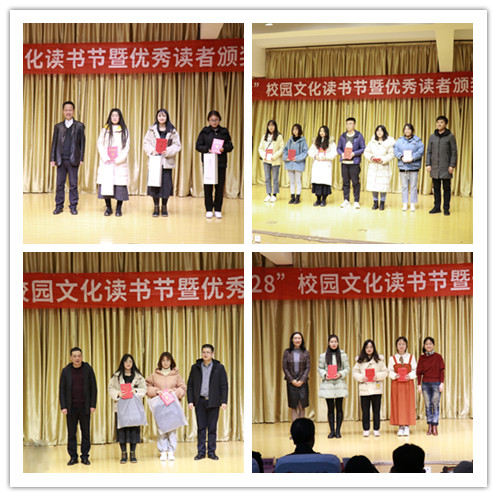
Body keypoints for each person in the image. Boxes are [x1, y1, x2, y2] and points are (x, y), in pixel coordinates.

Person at [187, 344, 228, 460]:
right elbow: (190, 385)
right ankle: (200, 452)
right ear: (201, 353)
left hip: (213, 402)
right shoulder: (195, 367)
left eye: (208, 352)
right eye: (204, 352)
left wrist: (224, 401)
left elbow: (224, 385)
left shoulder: (219, 367)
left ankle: (211, 452)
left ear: (212, 354)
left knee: (212, 428)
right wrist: (190, 401)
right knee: (201, 428)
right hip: (199, 401)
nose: (205, 354)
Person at [59, 347, 97, 466]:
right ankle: (73, 457)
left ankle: (85, 456)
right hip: (71, 408)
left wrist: (93, 404)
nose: (77, 358)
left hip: (85, 407)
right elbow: (62, 390)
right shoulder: (66, 371)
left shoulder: (88, 369)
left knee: (85, 433)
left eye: (79, 356)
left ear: (82, 356)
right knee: (71, 434)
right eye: (74, 356)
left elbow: (94, 388)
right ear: (71, 357)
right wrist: (63, 406)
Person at [146, 352, 187, 461]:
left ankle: (171, 451)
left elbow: (183, 389)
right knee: (161, 429)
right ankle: (163, 451)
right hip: (159, 407)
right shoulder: (154, 375)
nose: (165, 363)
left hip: (173, 406)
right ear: (160, 362)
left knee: (172, 429)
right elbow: (147, 387)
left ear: (171, 361)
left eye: (168, 360)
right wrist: (156, 391)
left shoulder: (176, 376)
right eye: (163, 360)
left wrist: (174, 391)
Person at [108, 354, 146, 463]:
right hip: (121, 407)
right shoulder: (116, 376)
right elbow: (111, 389)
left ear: (133, 363)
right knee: (122, 430)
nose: (128, 364)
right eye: (126, 361)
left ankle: (133, 453)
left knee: (134, 430)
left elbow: (144, 389)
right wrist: (118, 393)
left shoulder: (138, 376)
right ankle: (123, 453)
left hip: (134, 407)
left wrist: (136, 391)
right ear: (122, 363)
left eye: (130, 361)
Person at [195, 110, 234, 219]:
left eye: (216, 120)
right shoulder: (204, 131)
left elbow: (230, 146)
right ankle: (208, 209)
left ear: (220, 120)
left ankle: (217, 209)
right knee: (208, 186)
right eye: (212, 120)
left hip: (221, 163)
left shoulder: (224, 132)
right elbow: (198, 146)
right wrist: (207, 149)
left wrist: (224, 148)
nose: (214, 122)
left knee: (219, 187)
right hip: (209, 163)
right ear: (208, 120)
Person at [143, 109, 182, 217]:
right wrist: (152, 151)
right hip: (155, 161)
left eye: (163, 116)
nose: (161, 118)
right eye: (159, 115)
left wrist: (168, 151)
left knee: (166, 186)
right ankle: (156, 207)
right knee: (154, 186)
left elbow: (177, 145)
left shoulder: (172, 130)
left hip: (166, 162)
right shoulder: (151, 130)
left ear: (167, 117)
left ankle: (164, 207)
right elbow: (146, 143)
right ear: (157, 117)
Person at [50, 101, 86, 215]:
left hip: (73, 160)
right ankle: (59, 206)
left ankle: (73, 206)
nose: (68, 112)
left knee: (73, 184)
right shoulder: (58, 126)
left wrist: (81, 158)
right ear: (63, 111)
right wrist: (52, 158)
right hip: (60, 159)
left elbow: (82, 143)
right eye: (66, 110)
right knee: (59, 184)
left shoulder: (79, 126)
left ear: (73, 111)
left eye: (70, 110)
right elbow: (54, 143)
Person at [96, 108, 130, 217]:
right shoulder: (105, 130)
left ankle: (119, 208)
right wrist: (106, 158)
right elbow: (100, 144)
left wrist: (118, 159)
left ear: (120, 117)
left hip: (119, 163)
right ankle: (108, 208)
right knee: (106, 185)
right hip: (107, 162)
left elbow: (126, 147)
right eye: (112, 116)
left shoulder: (124, 130)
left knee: (120, 187)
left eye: (116, 115)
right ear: (110, 117)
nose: (114, 118)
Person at [352, 339, 388, 437]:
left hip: (376, 388)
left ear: (374, 348)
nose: (369, 349)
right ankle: (366, 429)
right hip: (364, 388)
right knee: (365, 410)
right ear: (364, 348)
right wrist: (361, 378)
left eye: (371, 347)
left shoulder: (379, 360)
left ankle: (376, 429)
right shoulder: (359, 360)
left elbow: (385, 371)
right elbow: (355, 372)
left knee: (376, 410)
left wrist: (378, 376)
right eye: (367, 347)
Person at [317, 334, 349, 438]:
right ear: (328, 343)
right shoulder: (323, 356)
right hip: (328, 385)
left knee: (339, 408)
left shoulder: (343, 355)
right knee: (330, 409)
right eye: (332, 342)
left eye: (335, 342)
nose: (334, 344)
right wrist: (325, 374)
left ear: (338, 343)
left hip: (339, 384)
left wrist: (340, 374)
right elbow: (320, 368)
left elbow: (347, 368)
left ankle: (338, 431)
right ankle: (331, 431)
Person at [426, 115, 458, 216]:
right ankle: (436, 207)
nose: (439, 124)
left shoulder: (450, 136)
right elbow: (429, 151)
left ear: (446, 124)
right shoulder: (432, 136)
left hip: (446, 167)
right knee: (436, 188)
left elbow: (454, 152)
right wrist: (428, 164)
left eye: (441, 122)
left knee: (446, 188)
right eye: (438, 122)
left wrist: (452, 165)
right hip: (434, 167)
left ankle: (446, 208)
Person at [388, 336, 417, 436]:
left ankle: (407, 426)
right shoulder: (392, 358)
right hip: (397, 384)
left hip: (408, 383)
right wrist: (394, 375)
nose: (401, 346)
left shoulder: (411, 357)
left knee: (408, 404)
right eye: (399, 344)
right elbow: (389, 371)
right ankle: (400, 426)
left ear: (406, 345)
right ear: (396, 346)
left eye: (403, 344)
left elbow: (415, 370)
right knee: (398, 404)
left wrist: (410, 376)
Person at [417, 337, 445, 436]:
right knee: (428, 405)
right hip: (425, 384)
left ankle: (435, 426)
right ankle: (429, 425)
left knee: (435, 405)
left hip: (436, 383)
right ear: (424, 346)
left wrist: (442, 383)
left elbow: (442, 371)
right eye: (426, 344)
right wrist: (419, 385)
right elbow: (418, 372)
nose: (428, 346)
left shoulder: (438, 357)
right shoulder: (422, 358)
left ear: (433, 345)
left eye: (430, 344)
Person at [393, 123, 424, 211]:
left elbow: (421, 151)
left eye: (409, 129)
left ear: (412, 130)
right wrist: (401, 157)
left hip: (414, 166)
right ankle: (405, 203)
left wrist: (413, 157)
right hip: (403, 166)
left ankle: (413, 203)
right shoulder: (399, 140)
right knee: (404, 186)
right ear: (403, 130)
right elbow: (395, 150)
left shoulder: (417, 140)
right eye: (405, 129)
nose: (407, 131)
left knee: (413, 186)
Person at [364, 125, 396, 210]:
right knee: (373, 185)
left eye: (381, 131)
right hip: (373, 166)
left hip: (383, 166)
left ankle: (382, 202)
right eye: (378, 130)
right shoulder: (372, 142)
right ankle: (375, 202)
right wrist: (371, 157)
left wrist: (383, 160)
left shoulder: (388, 143)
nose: (379, 132)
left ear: (384, 132)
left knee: (383, 185)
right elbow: (366, 152)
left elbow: (391, 154)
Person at [336, 117, 365, 209]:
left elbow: (363, 148)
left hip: (354, 163)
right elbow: (338, 148)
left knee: (355, 182)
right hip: (344, 162)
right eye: (347, 124)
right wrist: (342, 153)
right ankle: (346, 200)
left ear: (354, 125)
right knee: (345, 182)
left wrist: (354, 153)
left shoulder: (358, 136)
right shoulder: (343, 136)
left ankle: (356, 201)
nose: (348, 125)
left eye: (351, 124)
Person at [282, 332, 311, 421]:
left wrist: (302, 380)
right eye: (295, 338)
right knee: (294, 406)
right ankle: (295, 428)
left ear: (302, 340)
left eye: (299, 338)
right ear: (292, 340)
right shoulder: (287, 352)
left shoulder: (306, 352)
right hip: (291, 383)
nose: (297, 340)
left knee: (302, 406)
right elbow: (285, 367)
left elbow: (308, 367)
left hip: (303, 382)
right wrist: (292, 380)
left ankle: (302, 428)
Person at [308, 126, 338, 207]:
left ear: (326, 132)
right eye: (320, 131)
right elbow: (310, 151)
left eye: (323, 131)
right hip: (317, 164)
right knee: (317, 183)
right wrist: (315, 156)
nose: (321, 133)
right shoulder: (316, 141)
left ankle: (324, 200)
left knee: (324, 183)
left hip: (325, 164)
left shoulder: (331, 142)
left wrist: (327, 157)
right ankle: (318, 199)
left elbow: (334, 152)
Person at [258, 120, 284, 202]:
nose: (271, 127)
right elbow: (260, 148)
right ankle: (268, 194)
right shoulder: (264, 136)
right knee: (267, 178)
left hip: (275, 160)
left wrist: (274, 157)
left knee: (275, 179)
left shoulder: (279, 136)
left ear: (275, 126)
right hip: (266, 160)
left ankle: (274, 194)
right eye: (269, 125)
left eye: (272, 125)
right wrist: (264, 156)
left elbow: (281, 148)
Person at [283, 124, 308, 205]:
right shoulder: (290, 140)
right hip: (290, 163)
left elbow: (305, 152)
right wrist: (286, 157)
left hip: (298, 164)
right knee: (291, 181)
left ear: (299, 130)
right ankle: (292, 197)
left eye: (296, 129)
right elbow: (284, 150)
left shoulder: (303, 141)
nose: (294, 131)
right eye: (293, 129)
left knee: (298, 180)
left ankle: (298, 197)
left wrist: (296, 158)